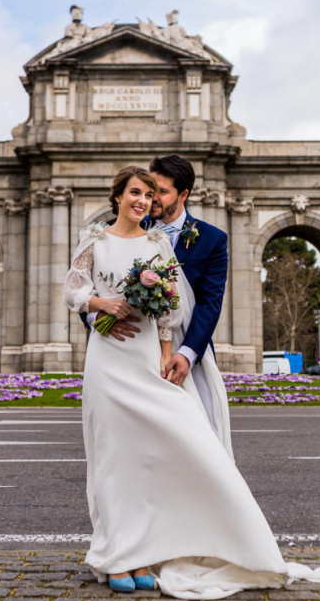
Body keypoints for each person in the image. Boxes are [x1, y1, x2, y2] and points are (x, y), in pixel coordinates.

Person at [63, 165, 320, 600]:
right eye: (138, 192)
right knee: (114, 457)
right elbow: (76, 291)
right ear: (117, 196)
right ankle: (123, 554)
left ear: (182, 194)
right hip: (109, 358)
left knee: (183, 448)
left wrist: (174, 352)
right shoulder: (96, 238)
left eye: (154, 193)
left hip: (162, 359)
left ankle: (187, 544)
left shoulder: (185, 240)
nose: (147, 201)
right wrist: (102, 312)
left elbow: (191, 305)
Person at [86, 154, 227, 432]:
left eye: (161, 192)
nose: (152, 199)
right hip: (131, 348)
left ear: (183, 195)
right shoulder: (122, 233)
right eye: (151, 190)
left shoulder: (213, 239)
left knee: (196, 431)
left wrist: (187, 354)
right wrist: (98, 318)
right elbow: (94, 285)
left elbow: (210, 303)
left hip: (185, 351)